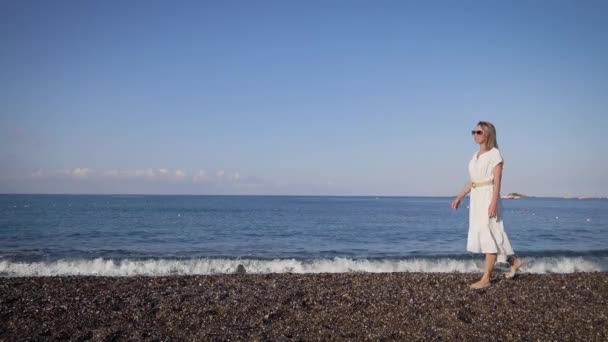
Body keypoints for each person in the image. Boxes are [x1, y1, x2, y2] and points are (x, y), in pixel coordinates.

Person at [451, 121, 525, 289]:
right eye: (473, 132)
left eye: (478, 132)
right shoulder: (475, 156)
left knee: (489, 234)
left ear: (487, 134)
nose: (475, 135)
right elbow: (473, 181)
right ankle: (514, 261)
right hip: (476, 197)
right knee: (491, 232)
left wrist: (493, 203)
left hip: (488, 197)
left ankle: (486, 279)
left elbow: (497, 182)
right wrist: (460, 196)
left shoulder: (495, 154)